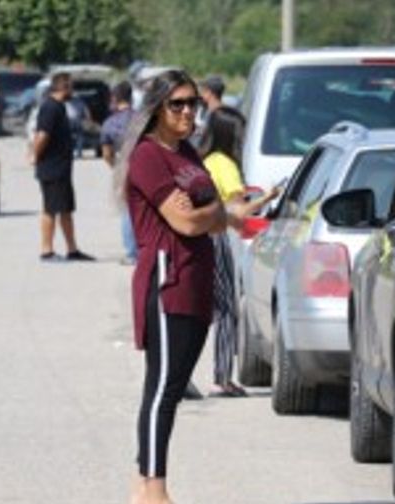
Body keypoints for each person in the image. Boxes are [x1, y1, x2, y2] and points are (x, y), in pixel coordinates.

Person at [120, 70, 232, 504]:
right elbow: (186, 220)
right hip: (168, 280)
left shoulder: (186, 152)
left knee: (174, 385)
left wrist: (208, 213)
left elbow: (218, 211)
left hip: (197, 278)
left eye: (193, 104)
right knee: (164, 389)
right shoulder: (149, 156)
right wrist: (207, 214)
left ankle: (141, 486)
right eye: (177, 104)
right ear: (157, 108)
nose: (188, 112)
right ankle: (155, 490)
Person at [201, 107, 280, 397]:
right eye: (242, 133)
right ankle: (222, 378)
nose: (245, 139)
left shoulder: (208, 160)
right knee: (225, 309)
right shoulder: (226, 166)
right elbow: (237, 212)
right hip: (217, 237)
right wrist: (269, 198)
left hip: (202, 236)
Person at [31, 72, 94, 262]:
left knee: (66, 209)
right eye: (71, 87)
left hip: (62, 167)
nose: (72, 91)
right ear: (63, 87)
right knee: (50, 209)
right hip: (52, 167)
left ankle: (72, 249)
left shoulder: (59, 107)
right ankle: (46, 250)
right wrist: (35, 155)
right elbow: (42, 135)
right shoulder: (50, 108)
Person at [100, 81, 138, 264]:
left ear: (115, 98)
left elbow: (106, 153)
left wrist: (116, 165)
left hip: (123, 165)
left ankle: (132, 253)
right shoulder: (143, 118)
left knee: (126, 210)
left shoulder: (110, 123)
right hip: (146, 163)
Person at [191, 75, 225, 150]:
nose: (201, 93)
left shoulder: (219, 115)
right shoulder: (206, 110)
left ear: (209, 93)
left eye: (203, 90)